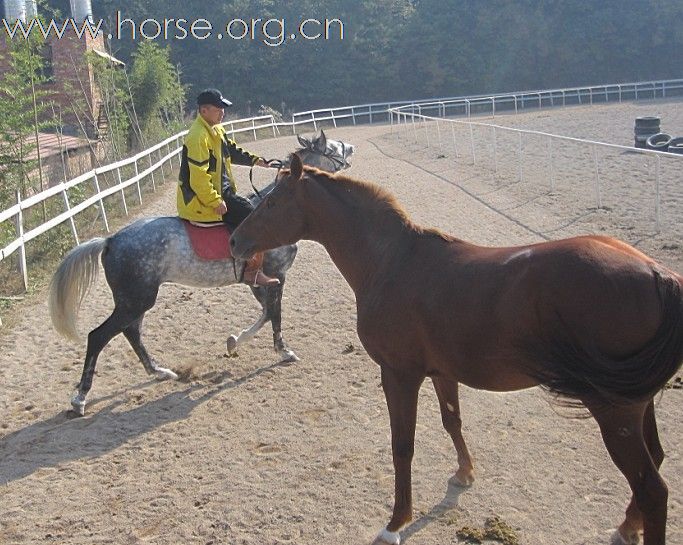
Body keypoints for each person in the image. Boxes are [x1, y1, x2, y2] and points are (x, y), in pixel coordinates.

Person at [177, 88, 280, 287]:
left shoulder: (216, 129)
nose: (222, 112)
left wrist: (256, 161)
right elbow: (198, 179)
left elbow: (232, 150)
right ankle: (252, 271)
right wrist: (215, 201)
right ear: (204, 111)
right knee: (252, 216)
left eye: (223, 108)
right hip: (201, 200)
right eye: (219, 108)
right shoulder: (198, 137)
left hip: (223, 191)